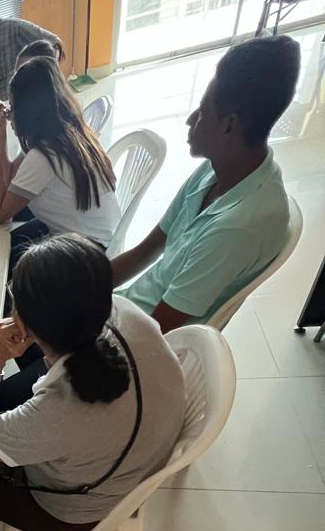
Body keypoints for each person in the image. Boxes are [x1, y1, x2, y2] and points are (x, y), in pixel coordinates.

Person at [0, 234, 185, 531]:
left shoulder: (58, 411)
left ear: (26, 324)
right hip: (137, 456)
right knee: (10, 409)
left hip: (74, 511)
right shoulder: (126, 312)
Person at [112, 34, 301, 330]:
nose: (190, 120)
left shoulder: (239, 227)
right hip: (124, 312)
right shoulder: (215, 169)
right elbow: (143, 253)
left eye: (201, 112)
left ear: (229, 125)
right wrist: (81, 290)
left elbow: (156, 334)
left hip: (135, 341)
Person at [0, 56, 120, 259]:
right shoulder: (66, 130)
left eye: (13, 107)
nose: (10, 116)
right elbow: (12, 179)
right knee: (7, 246)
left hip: (89, 255)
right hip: (100, 235)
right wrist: (0, 139)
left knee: (0, 258)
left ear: (29, 112)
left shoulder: (42, 156)